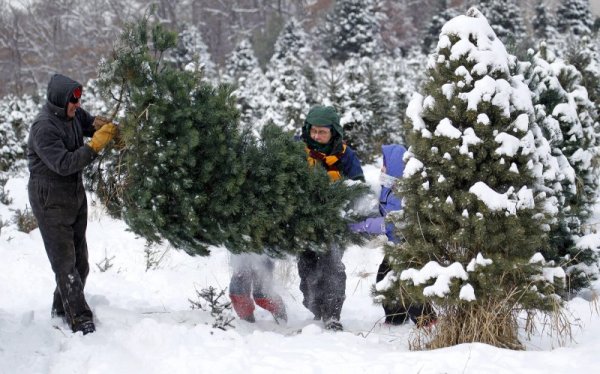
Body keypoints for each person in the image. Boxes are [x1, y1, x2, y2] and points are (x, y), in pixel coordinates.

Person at [27, 73, 117, 335]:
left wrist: (107, 127)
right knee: (65, 265)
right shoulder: (43, 128)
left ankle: (61, 308)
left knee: (81, 263)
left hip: (74, 194)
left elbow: (89, 123)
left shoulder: (73, 113)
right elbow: (64, 164)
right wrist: (96, 146)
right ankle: (79, 318)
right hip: (49, 199)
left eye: (79, 100)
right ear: (59, 101)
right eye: (73, 101)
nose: (78, 105)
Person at [349, 144, 436, 327]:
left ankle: (427, 320)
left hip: (408, 248)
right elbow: (382, 209)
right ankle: (396, 317)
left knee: (409, 285)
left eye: (385, 164)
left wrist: (363, 225)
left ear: (396, 167)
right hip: (395, 247)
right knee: (384, 280)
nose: (382, 168)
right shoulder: (388, 187)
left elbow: (394, 222)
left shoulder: (402, 192)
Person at [298, 105, 364, 331]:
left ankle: (332, 315)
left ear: (333, 132)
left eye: (322, 132)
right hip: (303, 221)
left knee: (332, 264)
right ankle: (315, 308)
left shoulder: (346, 155)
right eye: (313, 131)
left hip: (335, 221)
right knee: (306, 267)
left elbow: (358, 186)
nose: (316, 136)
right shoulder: (297, 149)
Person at [229, 253, 287, 323]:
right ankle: (247, 323)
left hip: (263, 251)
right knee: (238, 293)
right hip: (240, 250)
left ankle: (281, 318)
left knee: (262, 294)